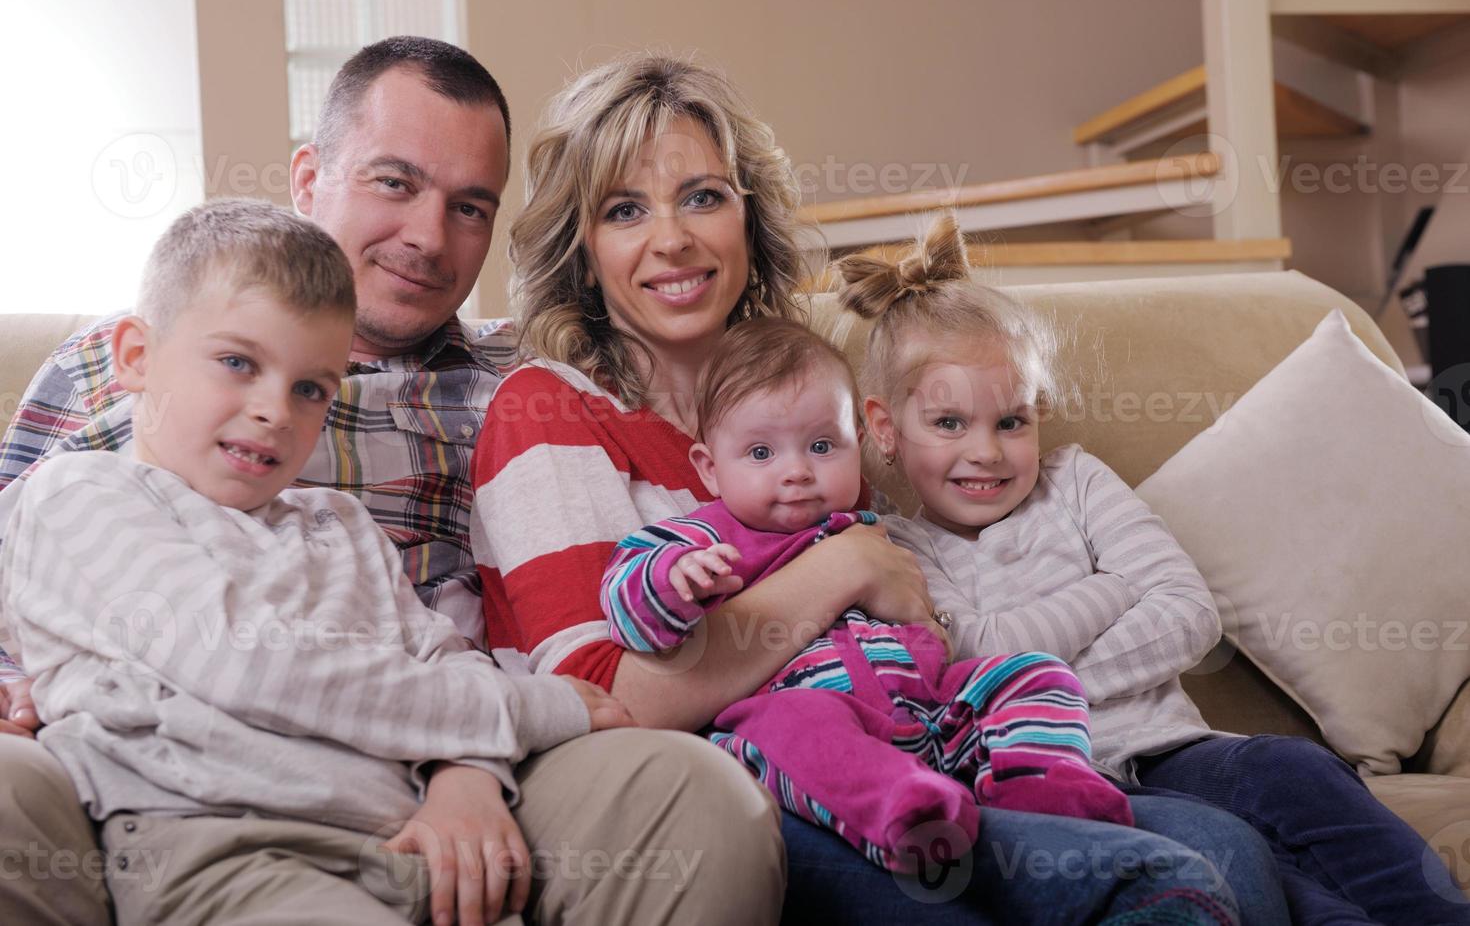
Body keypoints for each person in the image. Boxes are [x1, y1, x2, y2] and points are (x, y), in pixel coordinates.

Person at [469, 51, 1282, 924]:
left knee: (1229, 848)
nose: (672, 238)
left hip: (923, 741)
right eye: (625, 210)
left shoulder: (795, 392)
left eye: (703, 196)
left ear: (749, 222)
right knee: (1152, 881)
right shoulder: (546, 408)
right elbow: (610, 700)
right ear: (584, 252)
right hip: (764, 784)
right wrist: (847, 568)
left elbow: (924, 622)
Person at [0, 37, 784, 926]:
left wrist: (465, 770)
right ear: (309, 179)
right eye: (395, 183)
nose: (427, 237)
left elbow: (448, 644)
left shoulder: (515, 390)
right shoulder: (119, 366)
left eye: (469, 207)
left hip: (449, 757)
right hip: (165, 786)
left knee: (693, 795)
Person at [2, 197, 644, 924]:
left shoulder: (338, 523)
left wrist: (465, 771)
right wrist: (531, 708)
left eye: (310, 388)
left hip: (405, 835)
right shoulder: (83, 497)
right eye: (238, 363)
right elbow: (255, 666)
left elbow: (445, 655)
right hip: (225, 843)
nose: (276, 410)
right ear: (137, 358)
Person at [849, 211, 1470, 926]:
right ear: (887, 429)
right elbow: (975, 656)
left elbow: (1186, 611)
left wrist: (1044, 686)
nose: (986, 452)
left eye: (1011, 421)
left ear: (1039, 412)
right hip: (1060, 784)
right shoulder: (896, 549)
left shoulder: (1076, 483)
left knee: (1294, 772)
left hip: (1177, 750)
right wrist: (1111, 590)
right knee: (1262, 879)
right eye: (950, 424)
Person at [600, 317, 1136, 872]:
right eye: (761, 454)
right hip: (805, 716)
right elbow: (624, 605)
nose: (797, 472)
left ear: (861, 443)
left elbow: (939, 624)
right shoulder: (705, 537)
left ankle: (1047, 793)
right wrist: (673, 580)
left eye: (822, 445)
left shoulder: (879, 528)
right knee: (790, 726)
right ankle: (904, 813)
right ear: (710, 469)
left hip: (926, 708)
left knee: (1036, 673)